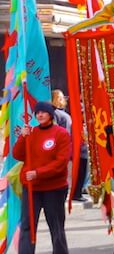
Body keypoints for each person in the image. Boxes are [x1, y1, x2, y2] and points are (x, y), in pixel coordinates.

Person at [13, 101, 71, 254]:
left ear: (50, 115)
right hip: (32, 188)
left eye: (43, 112)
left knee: (56, 226)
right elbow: (17, 155)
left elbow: (61, 162)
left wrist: (38, 172)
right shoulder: (31, 133)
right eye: (37, 112)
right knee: (27, 226)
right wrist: (22, 137)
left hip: (54, 188)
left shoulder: (61, 134)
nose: (39, 115)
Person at [51, 89, 89, 202]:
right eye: (62, 98)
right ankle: (75, 192)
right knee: (76, 170)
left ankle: (76, 191)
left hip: (74, 145)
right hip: (68, 146)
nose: (65, 100)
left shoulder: (61, 113)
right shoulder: (56, 114)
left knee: (80, 169)